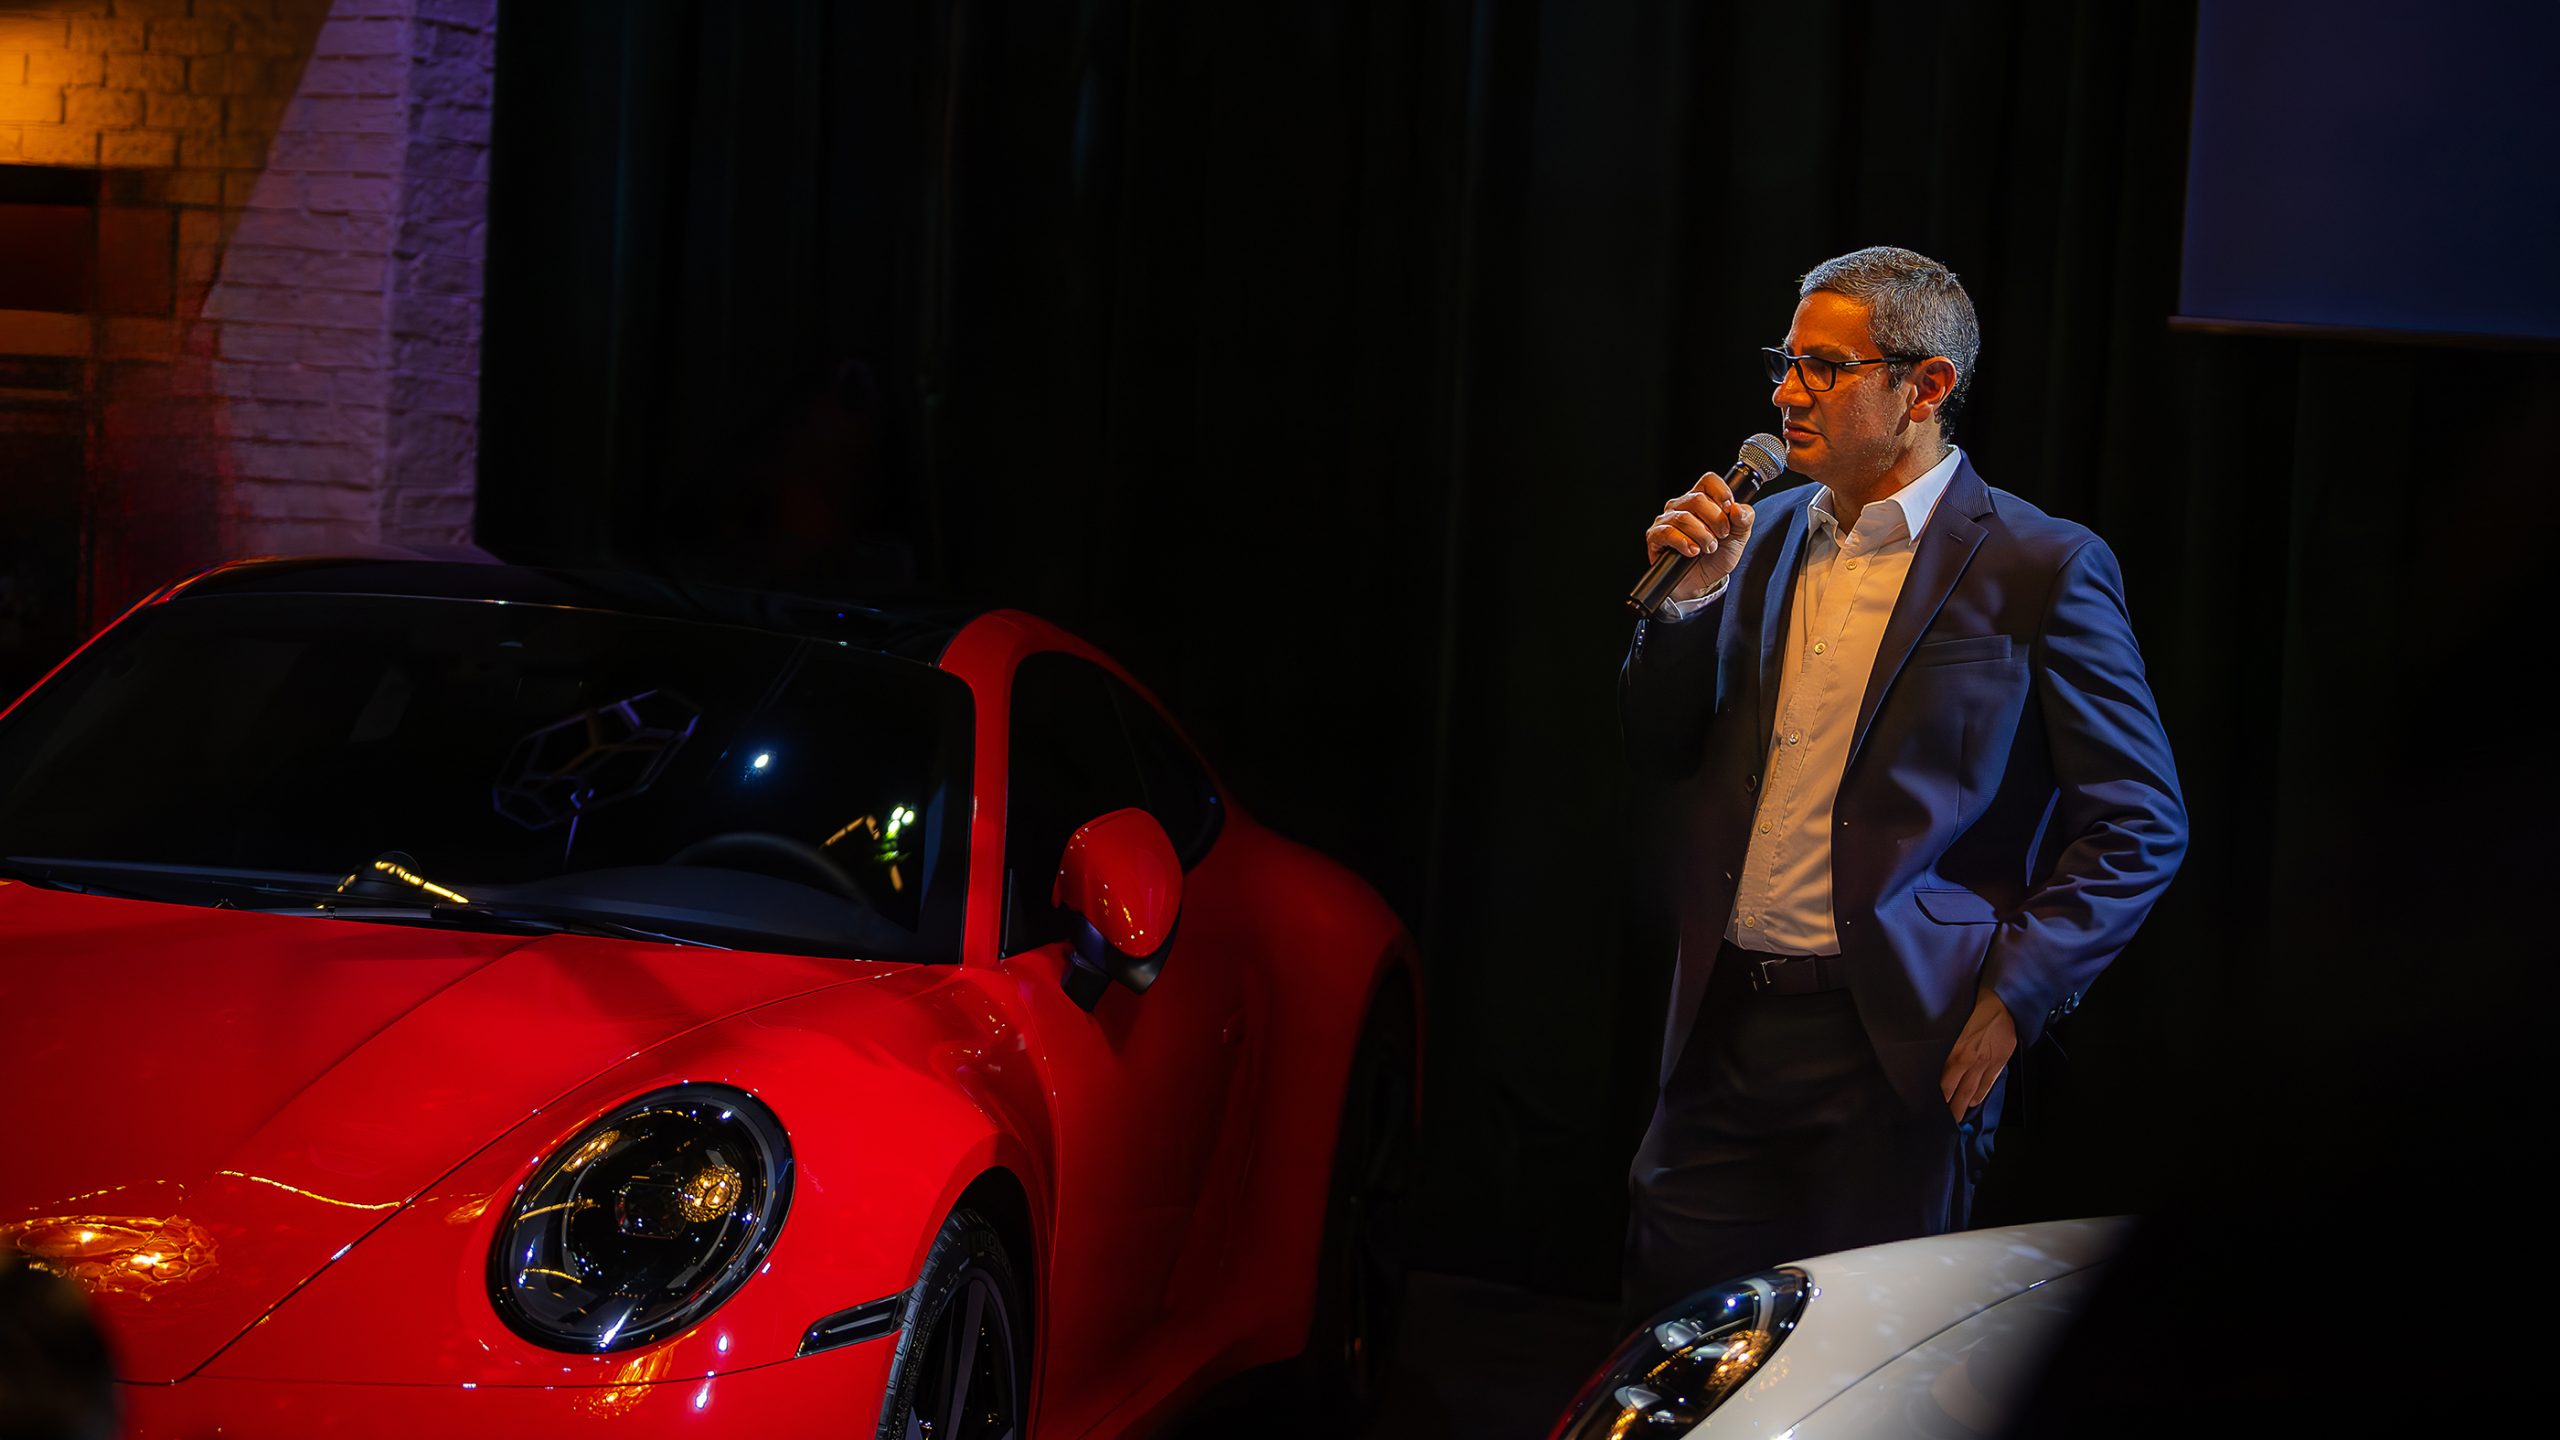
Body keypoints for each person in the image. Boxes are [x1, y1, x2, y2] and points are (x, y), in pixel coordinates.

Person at [1618, 246, 2186, 1320]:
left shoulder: (2039, 563)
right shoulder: (1760, 537)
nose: (1786, 394)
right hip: (1723, 1029)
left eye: (1824, 369)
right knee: (1674, 1345)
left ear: (1925, 388)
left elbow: (2139, 823)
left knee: (1861, 1351)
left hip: (1897, 1044)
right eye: (1785, 363)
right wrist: (1686, 605)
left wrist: (2019, 993)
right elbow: (1658, 746)